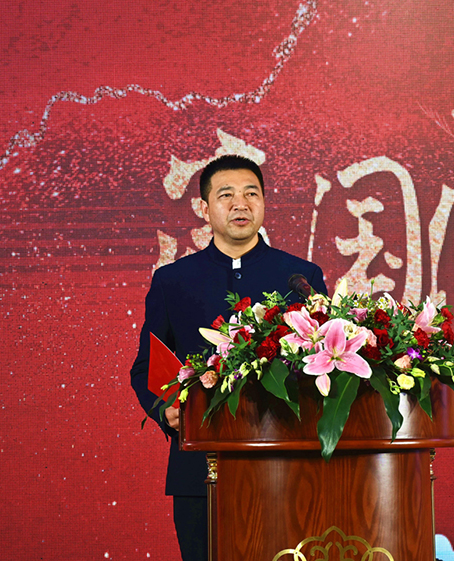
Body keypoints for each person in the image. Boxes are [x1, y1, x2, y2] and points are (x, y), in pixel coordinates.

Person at [130, 154, 327, 560]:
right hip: (200, 470)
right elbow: (147, 366)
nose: (241, 204)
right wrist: (167, 409)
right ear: (204, 209)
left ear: (264, 203)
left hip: (289, 465)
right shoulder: (173, 280)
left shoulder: (300, 277)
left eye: (251, 194)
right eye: (227, 195)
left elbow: (323, 356)